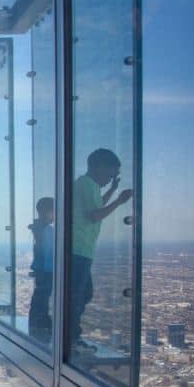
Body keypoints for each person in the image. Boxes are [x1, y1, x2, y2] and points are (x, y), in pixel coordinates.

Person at [70, 148, 133, 354]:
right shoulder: (87, 185)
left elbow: (96, 206)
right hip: (79, 250)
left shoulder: (87, 185)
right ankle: (71, 339)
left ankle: (71, 336)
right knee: (79, 295)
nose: (110, 178)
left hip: (80, 250)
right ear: (98, 167)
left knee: (82, 293)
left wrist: (113, 190)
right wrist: (119, 201)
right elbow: (95, 215)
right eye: (110, 174)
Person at [28, 197, 55, 341]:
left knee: (42, 296)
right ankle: (38, 322)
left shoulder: (43, 228)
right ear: (46, 212)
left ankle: (41, 321)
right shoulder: (43, 229)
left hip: (45, 269)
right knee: (42, 297)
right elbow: (43, 250)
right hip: (45, 270)